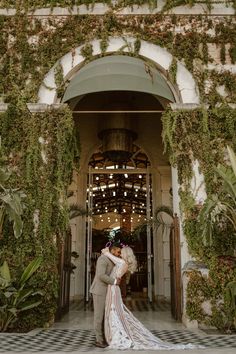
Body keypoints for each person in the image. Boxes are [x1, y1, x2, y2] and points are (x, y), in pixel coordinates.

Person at [102, 246, 201, 350]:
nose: (119, 253)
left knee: (115, 311)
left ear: (126, 254)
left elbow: (109, 256)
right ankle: (114, 333)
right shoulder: (122, 263)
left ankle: (117, 334)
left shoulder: (123, 263)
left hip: (113, 289)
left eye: (121, 252)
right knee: (114, 311)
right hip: (113, 288)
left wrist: (106, 252)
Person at [90, 242, 122, 348]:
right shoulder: (103, 259)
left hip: (107, 291)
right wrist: (114, 281)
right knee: (99, 316)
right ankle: (99, 340)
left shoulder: (112, 259)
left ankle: (106, 337)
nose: (119, 254)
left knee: (106, 315)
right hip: (99, 291)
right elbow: (101, 275)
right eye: (118, 251)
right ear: (112, 250)